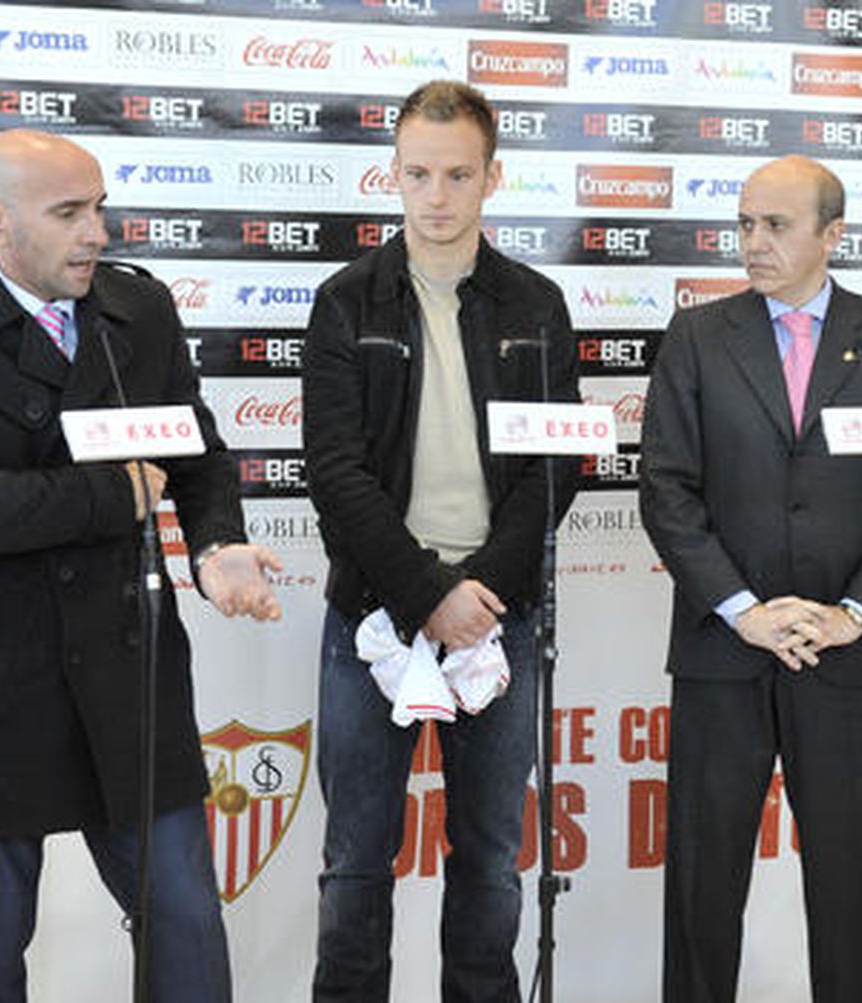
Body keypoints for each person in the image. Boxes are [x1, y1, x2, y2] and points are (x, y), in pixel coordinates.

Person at [0, 129, 282, 1003]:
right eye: (69, 214)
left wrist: (215, 544)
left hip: (129, 673)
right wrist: (111, 498)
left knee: (188, 929)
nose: (97, 233)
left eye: (99, 209)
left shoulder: (140, 310)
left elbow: (193, 456)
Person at [639, 154, 862, 1001]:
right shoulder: (698, 337)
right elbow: (665, 488)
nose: (753, 242)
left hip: (849, 656)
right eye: (744, 224)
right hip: (724, 649)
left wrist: (855, 610)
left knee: (857, 886)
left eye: (774, 225)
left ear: (832, 235)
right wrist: (743, 610)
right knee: (703, 886)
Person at [302, 80, 579, 1003]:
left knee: (492, 865)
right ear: (393, 173)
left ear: (492, 177)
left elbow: (557, 468)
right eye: (418, 173)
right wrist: (426, 594)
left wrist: (479, 596)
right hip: (373, 615)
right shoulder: (347, 302)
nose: (436, 196)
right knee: (354, 868)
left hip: (495, 617)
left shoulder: (537, 305)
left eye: (458, 174)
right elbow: (335, 473)